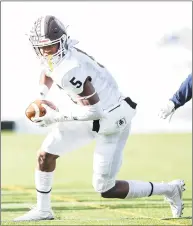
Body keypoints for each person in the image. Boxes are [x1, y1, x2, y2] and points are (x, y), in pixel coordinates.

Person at [14, 15, 185, 221]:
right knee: (45, 155)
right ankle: (43, 210)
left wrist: (55, 118)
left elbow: (95, 112)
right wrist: (40, 96)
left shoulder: (71, 68)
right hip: (91, 114)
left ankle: (169, 189)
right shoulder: (56, 57)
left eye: (51, 47)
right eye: (42, 48)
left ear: (62, 42)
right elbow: (48, 70)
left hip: (112, 119)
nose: (46, 52)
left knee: (106, 188)